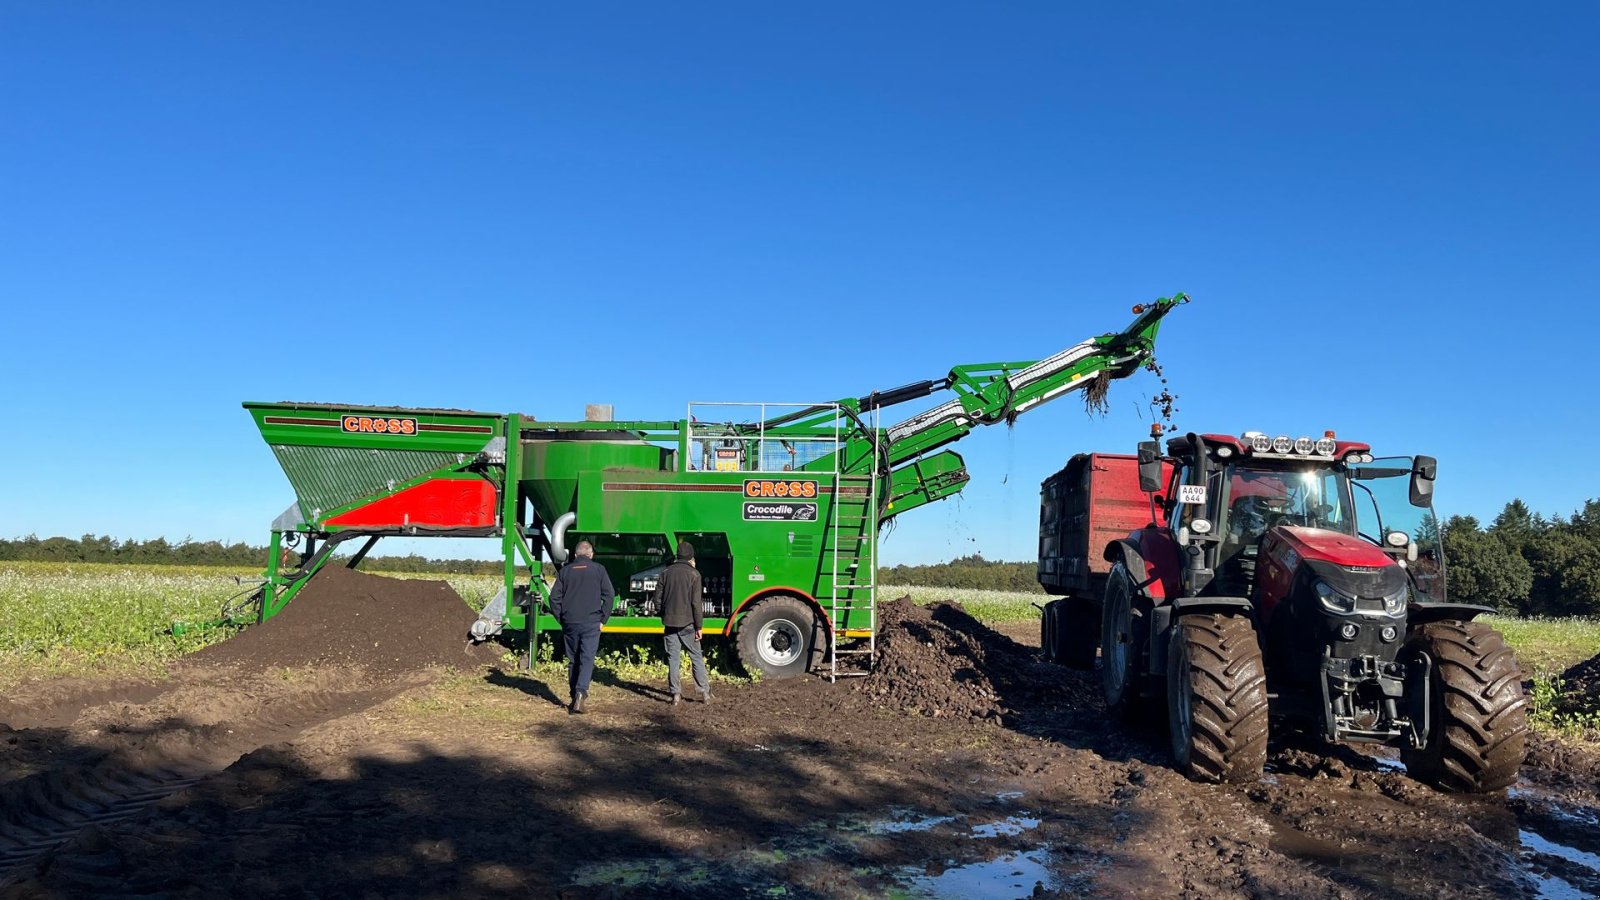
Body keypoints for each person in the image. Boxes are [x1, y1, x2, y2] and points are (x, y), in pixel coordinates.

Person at [548, 540, 614, 714]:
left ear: (575, 555)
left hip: (570, 621)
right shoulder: (599, 570)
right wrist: (603, 619)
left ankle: (573, 695)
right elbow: (609, 595)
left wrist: (561, 618)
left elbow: (554, 598)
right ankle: (580, 693)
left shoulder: (565, 571)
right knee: (586, 659)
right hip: (591, 622)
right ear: (591, 554)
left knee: (573, 659)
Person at [653, 539, 710, 705]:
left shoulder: (666, 572)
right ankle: (704, 693)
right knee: (696, 657)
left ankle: (675, 694)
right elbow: (696, 604)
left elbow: (657, 599)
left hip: (670, 623)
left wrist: (663, 613)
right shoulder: (694, 574)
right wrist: (699, 626)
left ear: (677, 555)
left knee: (673, 659)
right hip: (688, 624)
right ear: (691, 556)